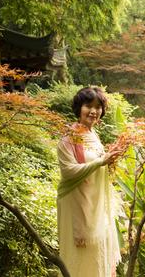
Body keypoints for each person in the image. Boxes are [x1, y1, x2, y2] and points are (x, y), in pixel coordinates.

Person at [57, 87, 124, 277]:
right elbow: (69, 172)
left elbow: (95, 164)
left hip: (95, 206)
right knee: (79, 254)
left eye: (98, 107)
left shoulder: (93, 135)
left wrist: (109, 159)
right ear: (79, 108)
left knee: (96, 250)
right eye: (88, 106)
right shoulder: (69, 138)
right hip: (76, 204)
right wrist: (101, 161)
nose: (93, 111)